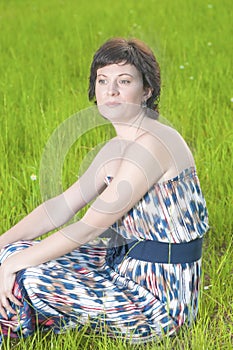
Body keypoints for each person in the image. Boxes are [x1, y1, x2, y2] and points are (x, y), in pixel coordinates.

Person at [0, 37, 209, 344]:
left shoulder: (152, 144)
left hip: (159, 296)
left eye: (124, 81)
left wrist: (13, 265)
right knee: (13, 251)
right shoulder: (116, 147)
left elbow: (88, 228)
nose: (111, 91)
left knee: (26, 274)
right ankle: (21, 310)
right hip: (119, 262)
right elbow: (61, 206)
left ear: (146, 91)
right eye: (103, 80)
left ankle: (14, 326)